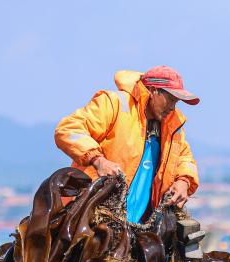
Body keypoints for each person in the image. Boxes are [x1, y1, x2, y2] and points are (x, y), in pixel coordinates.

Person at [55, 66, 200, 223]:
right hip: (94, 211)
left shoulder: (173, 123)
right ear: (153, 90)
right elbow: (68, 129)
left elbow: (185, 157)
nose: (172, 107)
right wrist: (98, 160)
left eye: (176, 102)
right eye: (171, 100)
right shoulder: (114, 103)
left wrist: (184, 181)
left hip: (144, 221)